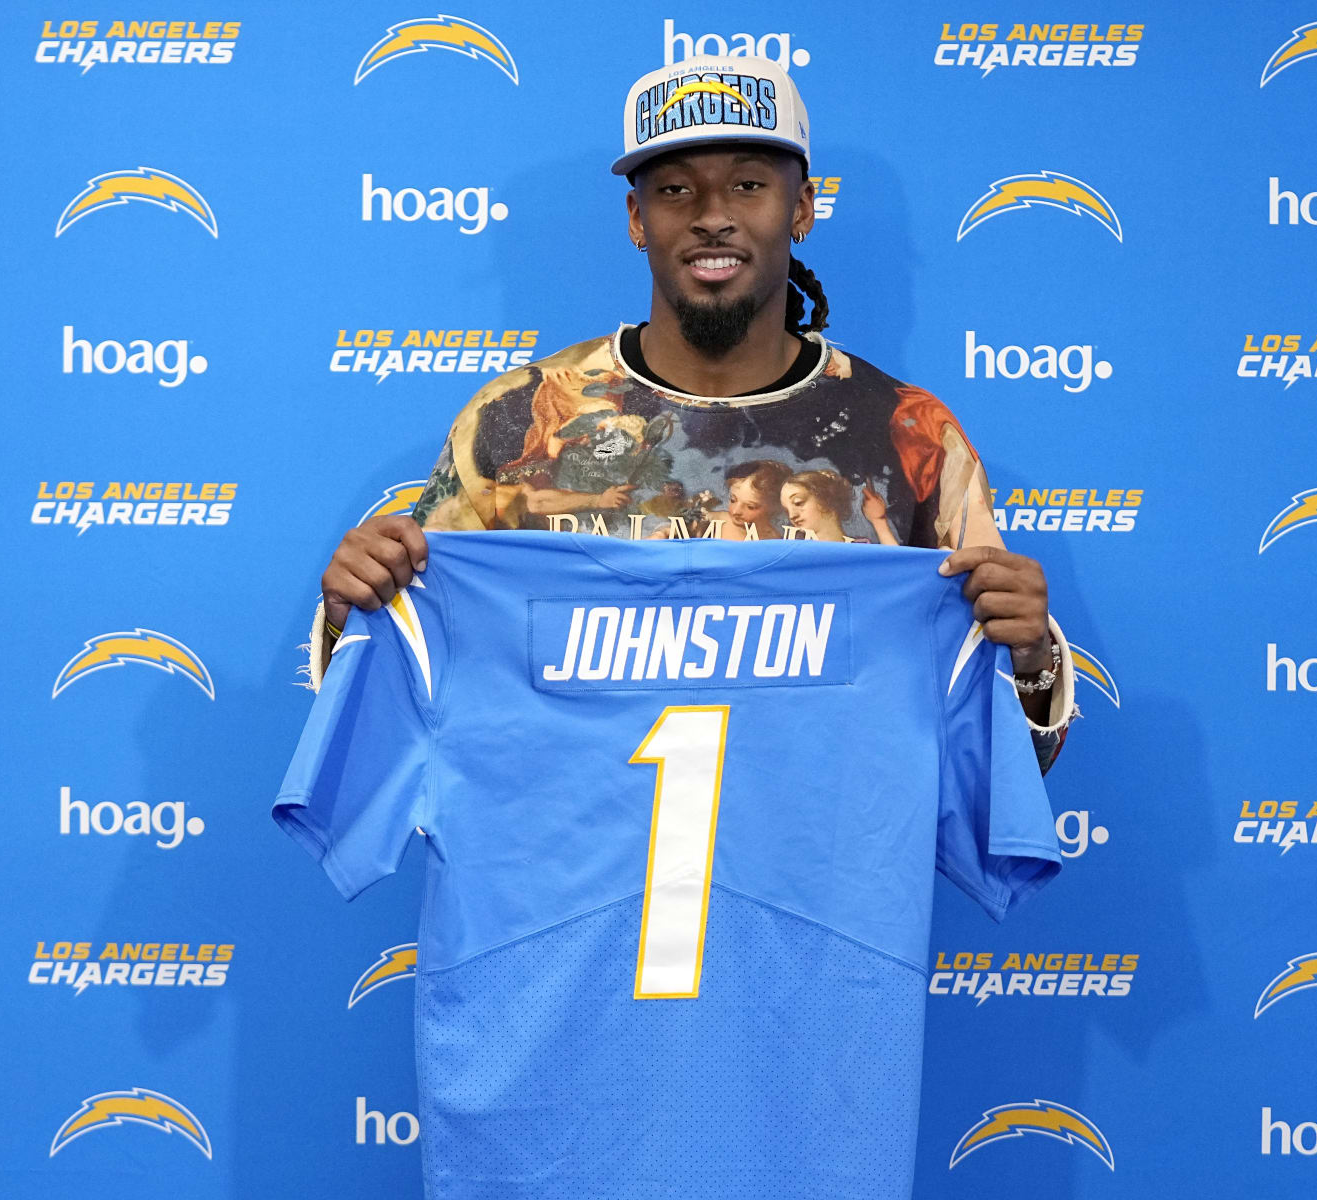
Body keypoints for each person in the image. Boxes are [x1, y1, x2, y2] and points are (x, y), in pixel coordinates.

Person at [311, 53, 1077, 765]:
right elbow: (410, 711)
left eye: (749, 184)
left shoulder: (908, 430)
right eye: (675, 189)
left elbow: (1002, 767)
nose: (713, 215)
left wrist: (1034, 663)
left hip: (814, 884)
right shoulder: (522, 415)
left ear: (803, 208)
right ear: (637, 219)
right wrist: (356, 617)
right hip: (564, 883)